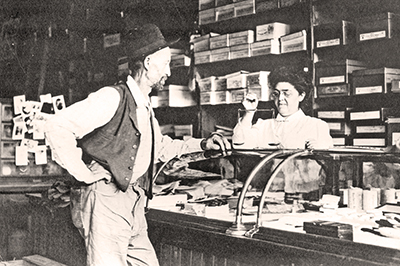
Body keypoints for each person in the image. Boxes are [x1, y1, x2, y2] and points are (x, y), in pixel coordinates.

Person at [44, 23, 230, 266]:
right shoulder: (112, 97)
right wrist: (83, 175)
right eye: (166, 65)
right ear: (149, 62)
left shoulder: (143, 105)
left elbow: (160, 147)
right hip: (107, 201)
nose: (169, 73)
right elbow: (57, 126)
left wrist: (203, 145)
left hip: (133, 201)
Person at [232, 66, 333, 195]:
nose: (280, 99)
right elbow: (239, 146)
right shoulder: (263, 125)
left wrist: (322, 152)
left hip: (306, 197)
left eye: (286, 93)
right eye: (277, 93)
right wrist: (249, 112)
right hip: (269, 196)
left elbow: (330, 166)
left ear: (301, 95)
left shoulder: (316, 125)